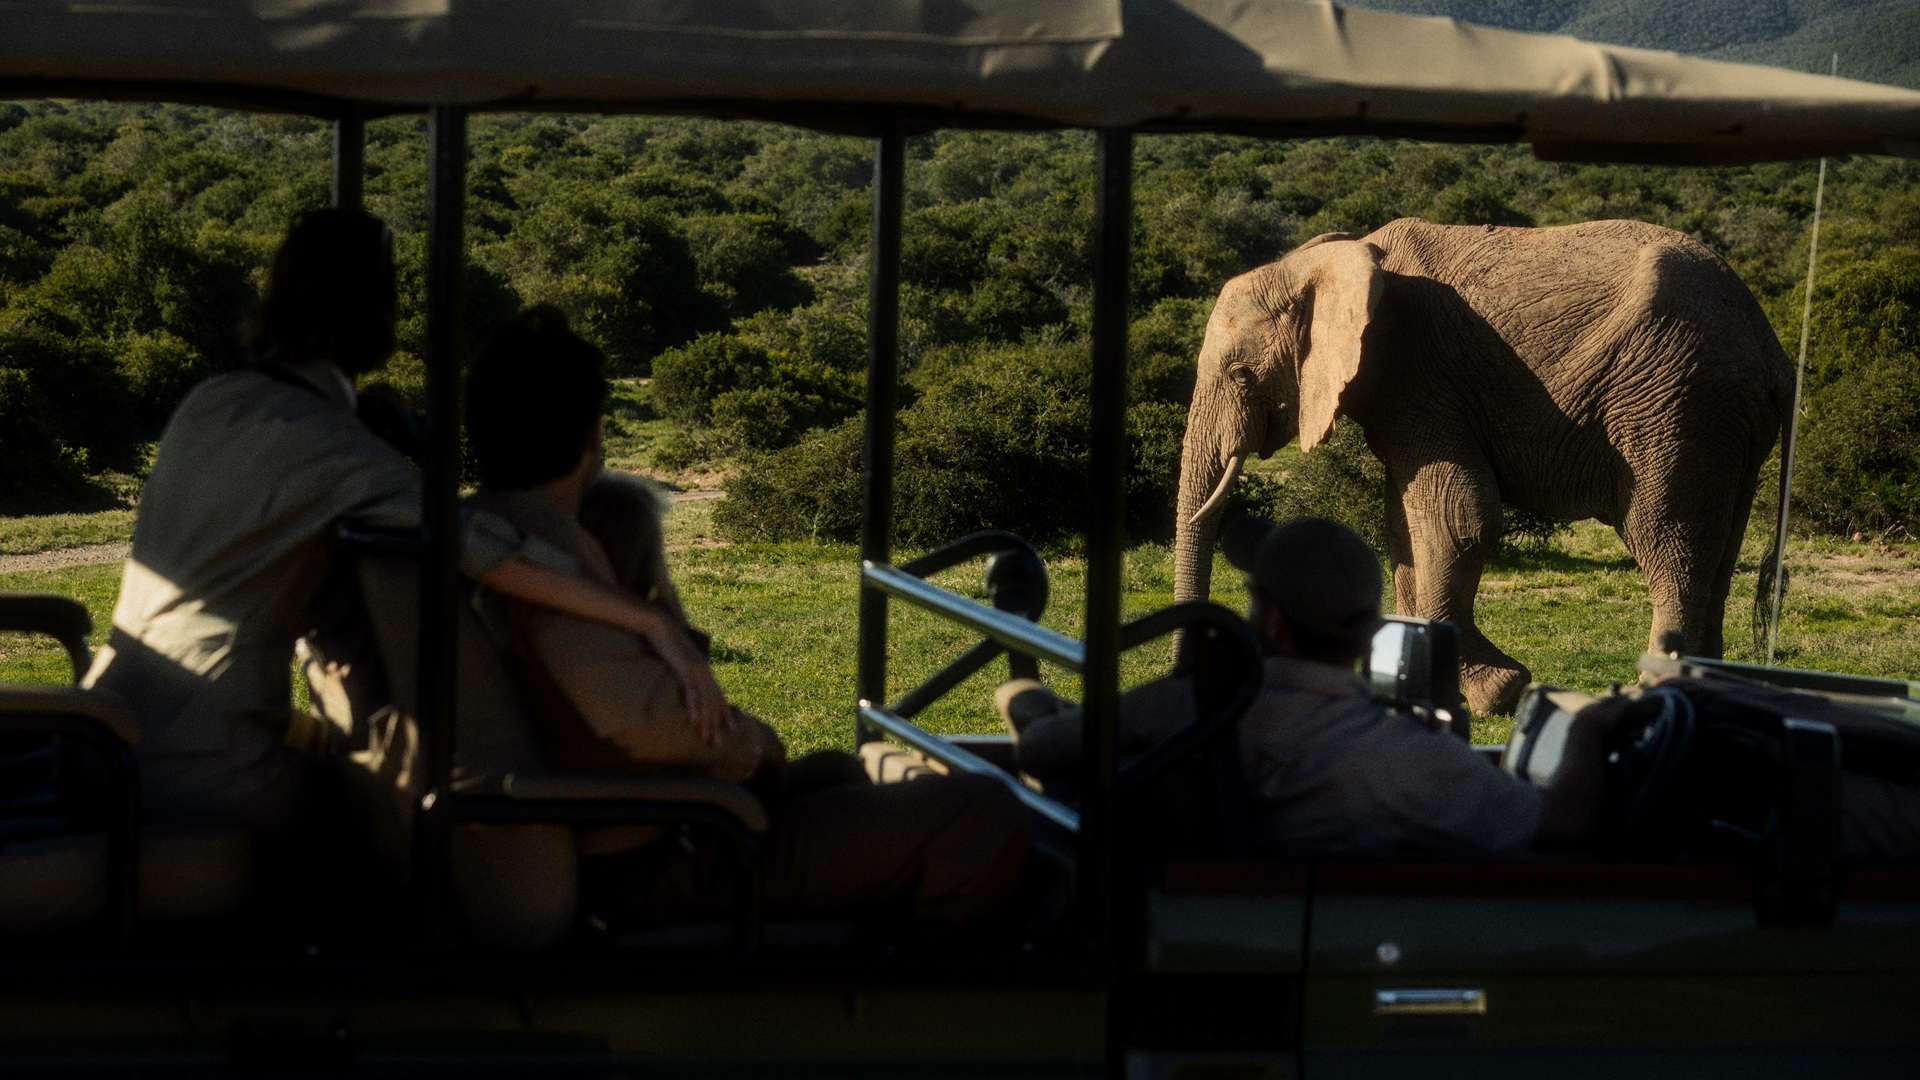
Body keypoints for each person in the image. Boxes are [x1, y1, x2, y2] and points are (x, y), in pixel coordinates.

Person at [84, 210, 724, 836]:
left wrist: (366, 416)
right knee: (377, 819)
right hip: (206, 760)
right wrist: (648, 618)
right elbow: (488, 552)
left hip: (102, 733)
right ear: (378, 314)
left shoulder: (212, 401)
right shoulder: (337, 449)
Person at [463, 307, 1032, 927]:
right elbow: (650, 722)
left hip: (642, 829)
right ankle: (894, 999)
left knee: (839, 771)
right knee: (983, 809)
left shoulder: (502, 541)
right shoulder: (550, 565)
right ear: (594, 434)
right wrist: (758, 745)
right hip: (658, 860)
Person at [997, 515, 1616, 856]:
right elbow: (1566, 824)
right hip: (1310, 930)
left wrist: (1040, 702)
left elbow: (1039, 747)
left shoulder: (1190, 705)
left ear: (1269, 618)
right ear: (1369, 628)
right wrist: (1590, 726)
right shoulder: (1406, 758)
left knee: (1037, 710)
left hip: (1174, 910)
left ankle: (1015, 647)